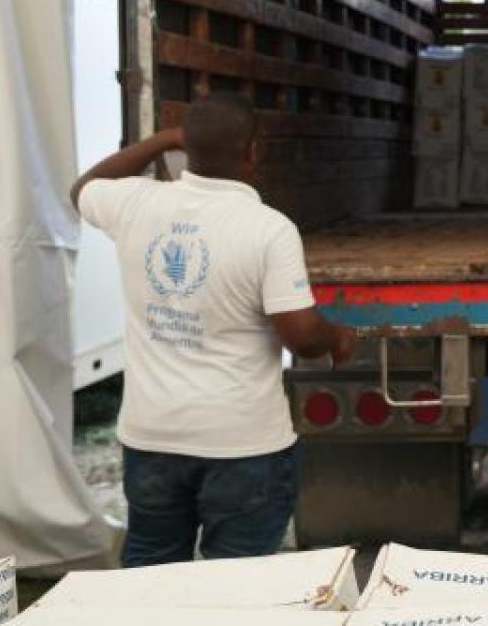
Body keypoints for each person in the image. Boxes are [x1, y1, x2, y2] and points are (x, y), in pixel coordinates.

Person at [71, 94, 355, 565]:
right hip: (242, 444)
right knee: (237, 588)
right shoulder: (268, 229)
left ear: (188, 147)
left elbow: (84, 187)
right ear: (252, 151)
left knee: (150, 580)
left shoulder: (135, 204)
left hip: (152, 436)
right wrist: (340, 339)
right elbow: (302, 336)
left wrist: (162, 140)